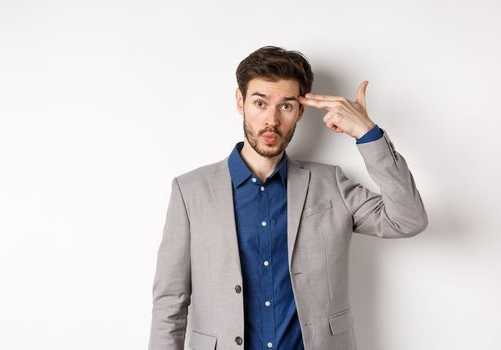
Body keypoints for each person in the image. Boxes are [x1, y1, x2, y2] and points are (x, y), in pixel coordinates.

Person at [147, 46, 428, 350]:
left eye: (286, 106)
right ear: (240, 102)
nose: (271, 120)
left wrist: (367, 133)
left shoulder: (330, 183)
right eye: (259, 103)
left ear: (301, 112)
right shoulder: (191, 191)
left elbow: (407, 219)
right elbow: (170, 301)